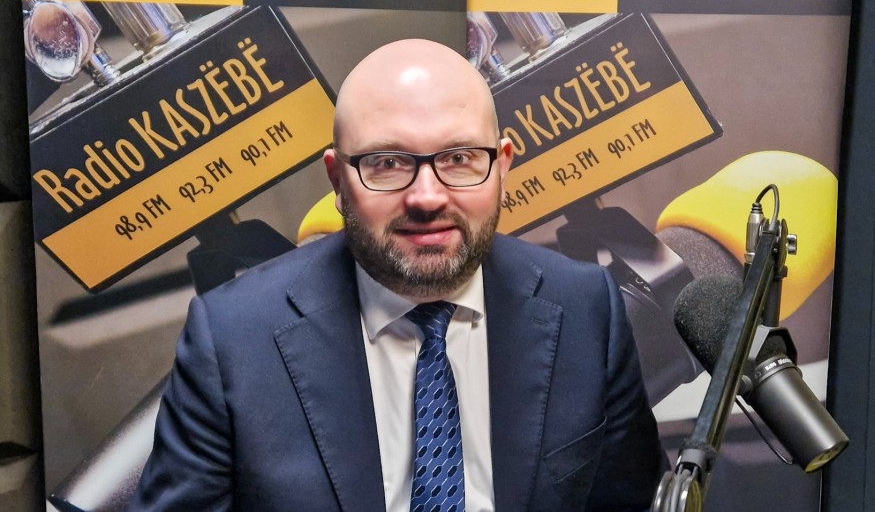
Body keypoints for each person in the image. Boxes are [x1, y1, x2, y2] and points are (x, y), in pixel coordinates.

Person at [131, 38, 667, 511]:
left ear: (502, 166)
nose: (427, 197)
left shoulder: (585, 307)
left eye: (459, 158)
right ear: (337, 179)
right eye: (387, 163)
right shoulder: (231, 338)